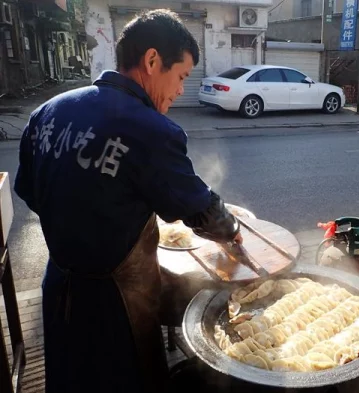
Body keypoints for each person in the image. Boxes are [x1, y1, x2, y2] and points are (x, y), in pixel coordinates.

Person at [14, 9, 242, 393]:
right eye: (182, 76)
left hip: (58, 288)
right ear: (152, 61)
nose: (181, 89)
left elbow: (32, 193)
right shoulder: (152, 130)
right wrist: (231, 229)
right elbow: (202, 211)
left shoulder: (47, 112)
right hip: (115, 306)